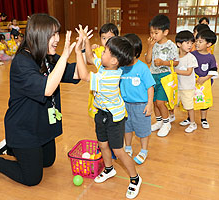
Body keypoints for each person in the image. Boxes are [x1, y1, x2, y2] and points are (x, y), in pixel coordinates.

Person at [0, 13, 80, 187]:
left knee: (48, 161)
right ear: (38, 35)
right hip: (23, 128)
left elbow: (77, 73)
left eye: (58, 34)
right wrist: (66, 55)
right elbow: (47, 89)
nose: (57, 39)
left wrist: (82, 50)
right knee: (32, 178)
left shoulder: (47, 56)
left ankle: (12, 148)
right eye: (53, 35)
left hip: (41, 124)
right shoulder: (22, 63)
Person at [76, 25, 142, 199]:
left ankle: (135, 178)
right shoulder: (107, 67)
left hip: (114, 117)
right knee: (102, 144)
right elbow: (90, 58)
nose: (101, 53)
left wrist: (77, 52)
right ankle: (109, 169)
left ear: (114, 60)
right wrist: (85, 41)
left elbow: (84, 75)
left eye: (105, 51)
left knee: (118, 151)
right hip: (102, 113)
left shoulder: (108, 77)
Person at [120, 34, 155, 165]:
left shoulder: (142, 68)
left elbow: (150, 87)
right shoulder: (121, 67)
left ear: (136, 52)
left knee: (143, 130)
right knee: (126, 128)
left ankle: (144, 150)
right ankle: (128, 147)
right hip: (125, 105)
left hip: (141, 105)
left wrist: (150, 103)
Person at [145, 14, 179, 137]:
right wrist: (150, 47)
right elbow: (148, 60)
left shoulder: (171, 45)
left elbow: (176, 62)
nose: (153, 35)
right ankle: (159, 122)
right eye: (151, 32)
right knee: (154, 102)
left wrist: (164, 63)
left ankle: (166, 123)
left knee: (160, 102)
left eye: (156, 33)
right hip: (152, 76)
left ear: (165, 32)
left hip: (165, 77)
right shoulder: (153, 44)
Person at [184, 30, 218, 129]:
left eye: (200, 42)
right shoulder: (192, 54)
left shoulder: (210, 57)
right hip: (192, 82)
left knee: (203, 100)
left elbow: (213, 70)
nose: (197, 44)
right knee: (190, 99)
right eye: (197, 41)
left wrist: (205, 78)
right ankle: (189, 118)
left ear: (209, 44)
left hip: (205, 83)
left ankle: (203, 119)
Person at [174, 31, 199, 133]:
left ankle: (193, 123)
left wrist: (174, 71)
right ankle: (171, 117)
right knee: (173, 103)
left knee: (189, 106)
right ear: (179, 44)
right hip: (177, 86)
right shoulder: (175, 56)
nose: (190, 45)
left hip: (187, 87)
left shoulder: (191, 57)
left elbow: (189, 72)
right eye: (187, 42)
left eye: (191, 43)